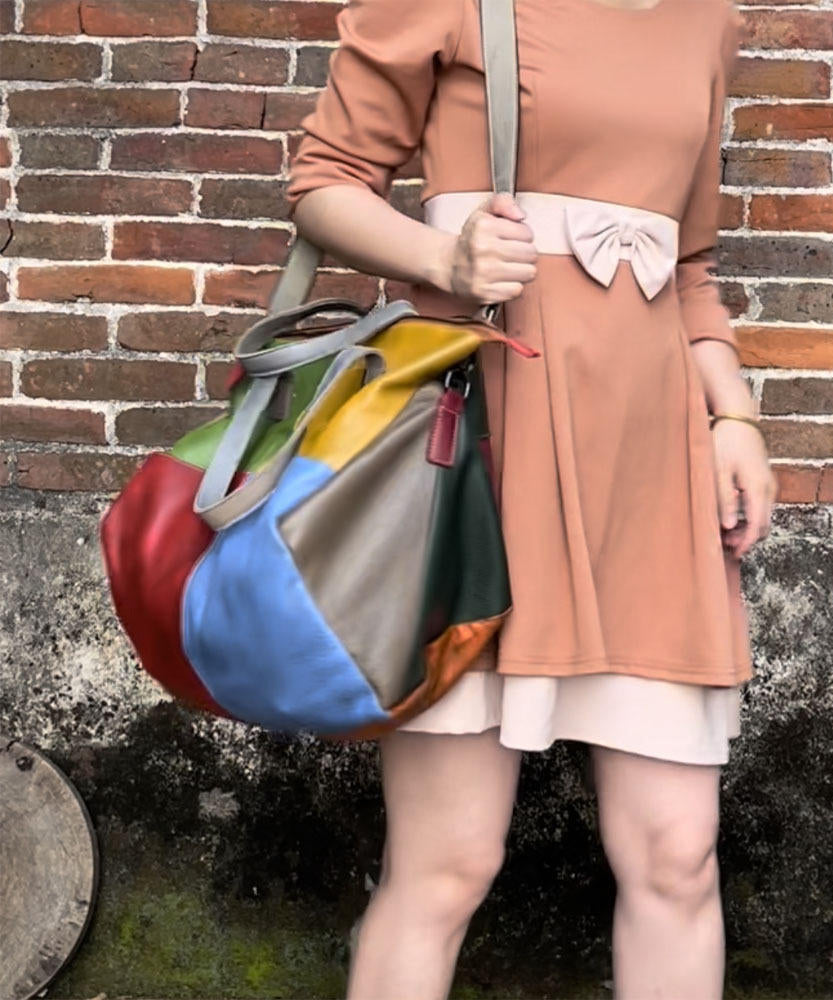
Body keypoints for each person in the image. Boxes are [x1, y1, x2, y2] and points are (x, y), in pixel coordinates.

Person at [286, 0, 776, 996]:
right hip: (486, 462)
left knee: (677, 857)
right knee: (447, 862)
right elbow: (323, 181)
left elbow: (686, 265)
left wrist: (733, 416)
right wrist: (443, 259)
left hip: (645, 478)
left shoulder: (706, 19)